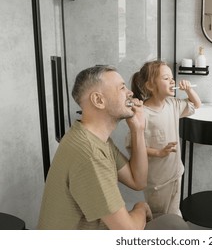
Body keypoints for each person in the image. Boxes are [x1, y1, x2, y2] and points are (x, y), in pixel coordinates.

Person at [37, 65, 189, 230]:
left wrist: (138, 129)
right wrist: (141, 208)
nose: (130, 93)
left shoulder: (96, 139)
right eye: (122, 88)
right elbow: (128, 231)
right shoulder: (90, 154)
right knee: (176, 227)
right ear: (99, 100)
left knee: (174, 224)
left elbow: (138, 181)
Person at [128, 60, 201, 218]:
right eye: (166, 78)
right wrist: (158, 152)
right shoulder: (142, 114)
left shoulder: (173, 104)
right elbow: (133, 148)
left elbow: (196, 104)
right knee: (160, 218)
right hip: (157, 183)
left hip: (175, 173)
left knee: (174, 213)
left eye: (172, 77)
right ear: (150, 86)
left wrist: (188, 90)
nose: (172, 81)